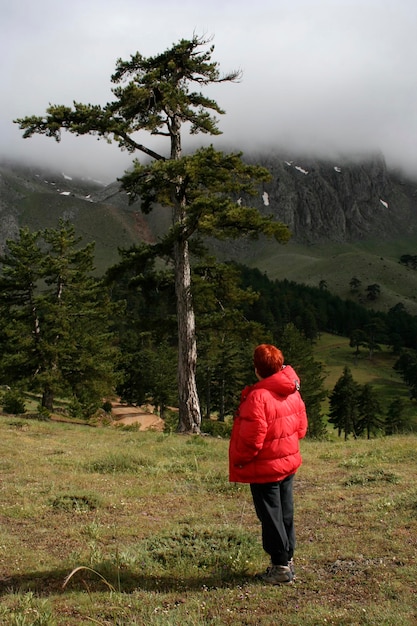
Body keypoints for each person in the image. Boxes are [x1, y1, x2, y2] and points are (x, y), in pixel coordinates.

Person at [229, 343, 308, 584]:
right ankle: (287, 559)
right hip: (287, 462)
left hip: (265, 468)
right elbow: (302, 429)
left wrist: (240, 460)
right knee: (285, 512)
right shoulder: (292, 390)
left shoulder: (257, 397)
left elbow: (252, 440)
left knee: (271, 517)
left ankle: (280, 567)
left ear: (257, 369)